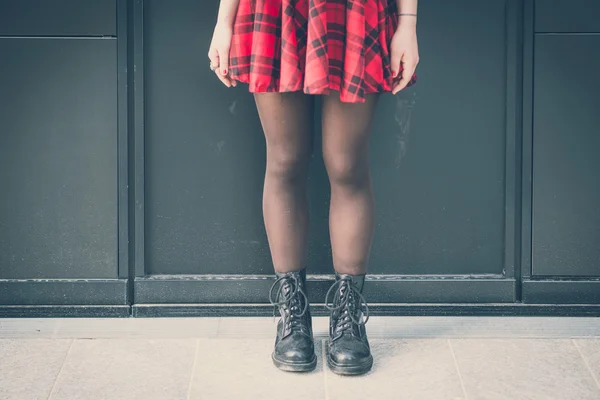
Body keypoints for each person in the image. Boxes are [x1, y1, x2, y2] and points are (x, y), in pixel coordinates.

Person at [208, 0, 419, 376]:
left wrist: (408, 23)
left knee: (346, 164)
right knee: (285, 160)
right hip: (275, 9)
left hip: (355, 9)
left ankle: (348, 316)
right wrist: (224, 22)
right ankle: (294, 315)